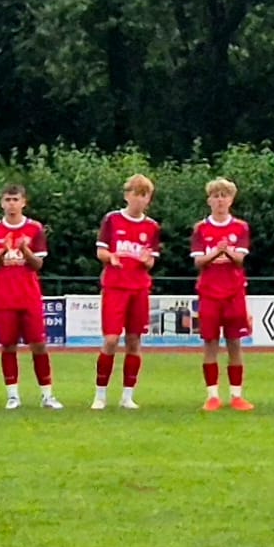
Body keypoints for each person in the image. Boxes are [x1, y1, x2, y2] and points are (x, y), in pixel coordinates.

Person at [0, 184, 61, 410]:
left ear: (23, 202)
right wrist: (2, 251)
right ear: (1, 203)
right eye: (7, 199)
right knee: (8, 346)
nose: (11, 204)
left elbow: (38, 264)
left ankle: (47, 395)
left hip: (29, 295)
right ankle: (13, 395)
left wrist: (25, 250)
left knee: (39, 344)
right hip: (4, 296)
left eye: (15, 199)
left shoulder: (34, 228)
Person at [95, 174, 161, 410]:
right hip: (115, 286)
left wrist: (146, 260)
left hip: (139, 288)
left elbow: (151, 260)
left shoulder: (151, 226)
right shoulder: (112, 220)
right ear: (127, 195)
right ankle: (100, 394)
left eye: (145, 195)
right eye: (136, 194)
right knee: (111, 339)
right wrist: (111, 257)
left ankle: (127, 395)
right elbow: (101, 251)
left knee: (134, 340)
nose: (140, 199)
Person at [192, 177, 254, 411]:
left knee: (234, 343)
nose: (220, 200)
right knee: (210, 343)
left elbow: (239, 259)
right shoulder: (201, 229)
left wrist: (225, 251)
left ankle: (237, 395)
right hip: (209, 292)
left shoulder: (240, 227)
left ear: (231, 199)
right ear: (209, 200)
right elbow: (199, 261)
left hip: (233, 292)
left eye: (224, 196)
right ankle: (212, 395)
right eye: (216, 196)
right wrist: (216, 253)